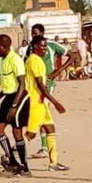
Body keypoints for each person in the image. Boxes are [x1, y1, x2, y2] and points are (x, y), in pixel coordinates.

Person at [19, 36, 68, 172]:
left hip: (41, 101)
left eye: (45, 46)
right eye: (41, 46)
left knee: (50, 128)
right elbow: (40, 85)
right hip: (35, 101)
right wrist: (55, 102)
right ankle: (8, 156)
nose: (44, 48)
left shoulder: (36, 60)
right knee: (30, 134)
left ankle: (53, 163)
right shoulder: (34, 60)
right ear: (34, 46)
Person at [0, 35, 29, 176]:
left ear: (4, 47)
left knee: (17, 131)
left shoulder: (15, 59)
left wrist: (14, 105)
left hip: (19, 97)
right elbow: (7, 87)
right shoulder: (3, 60)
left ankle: (25, 167)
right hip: (8, 96)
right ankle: (12, 161)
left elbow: (22, 84)